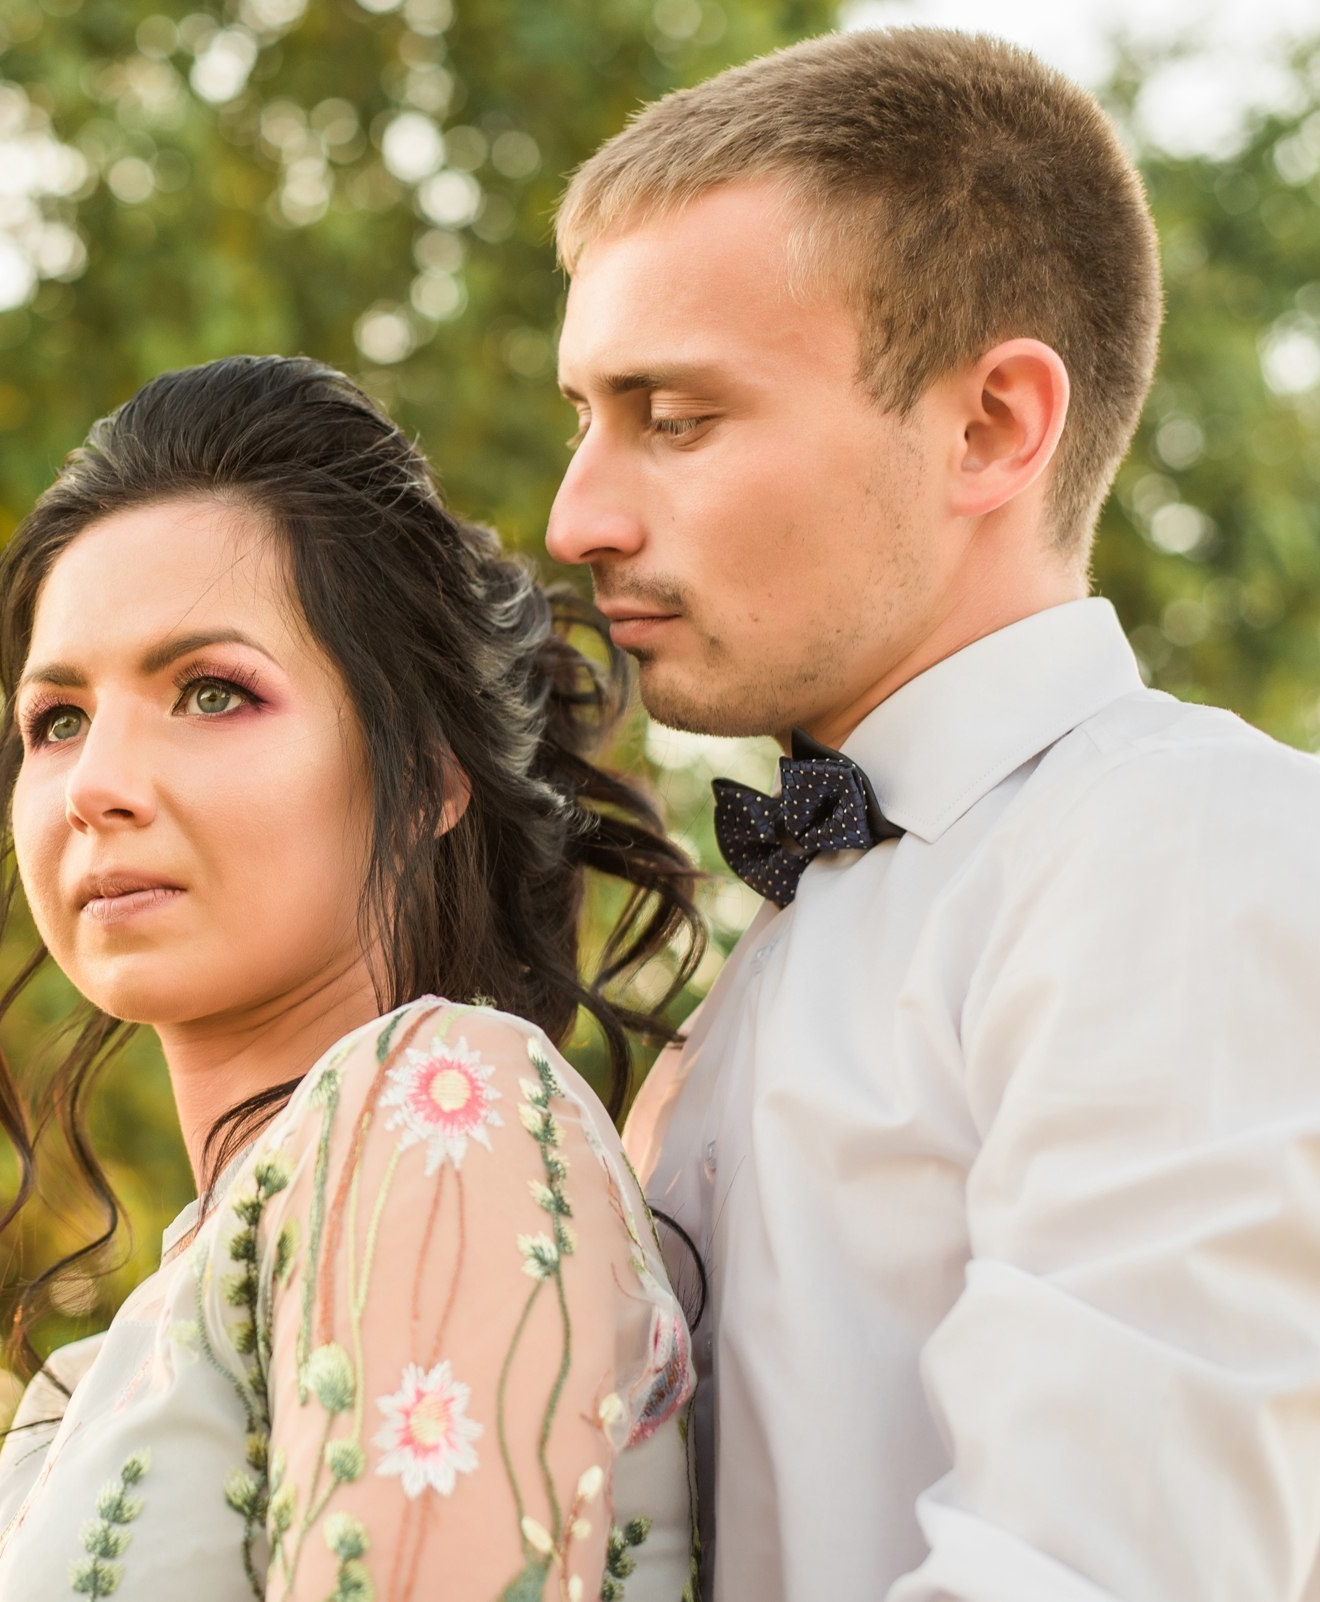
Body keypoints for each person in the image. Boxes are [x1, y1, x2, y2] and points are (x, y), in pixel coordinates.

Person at [547, 27, 1320, 1602]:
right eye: (585, 415)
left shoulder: (1185, 850)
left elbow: (1101, 1571)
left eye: (674, 417)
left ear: (990, 428)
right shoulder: (787, 936)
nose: (580, 516)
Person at [0, 355, 706, 1601]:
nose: (95, 785)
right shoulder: (102, 1371)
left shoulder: (444, 1106)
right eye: (59, 718)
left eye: (211, 692)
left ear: (431, 779)